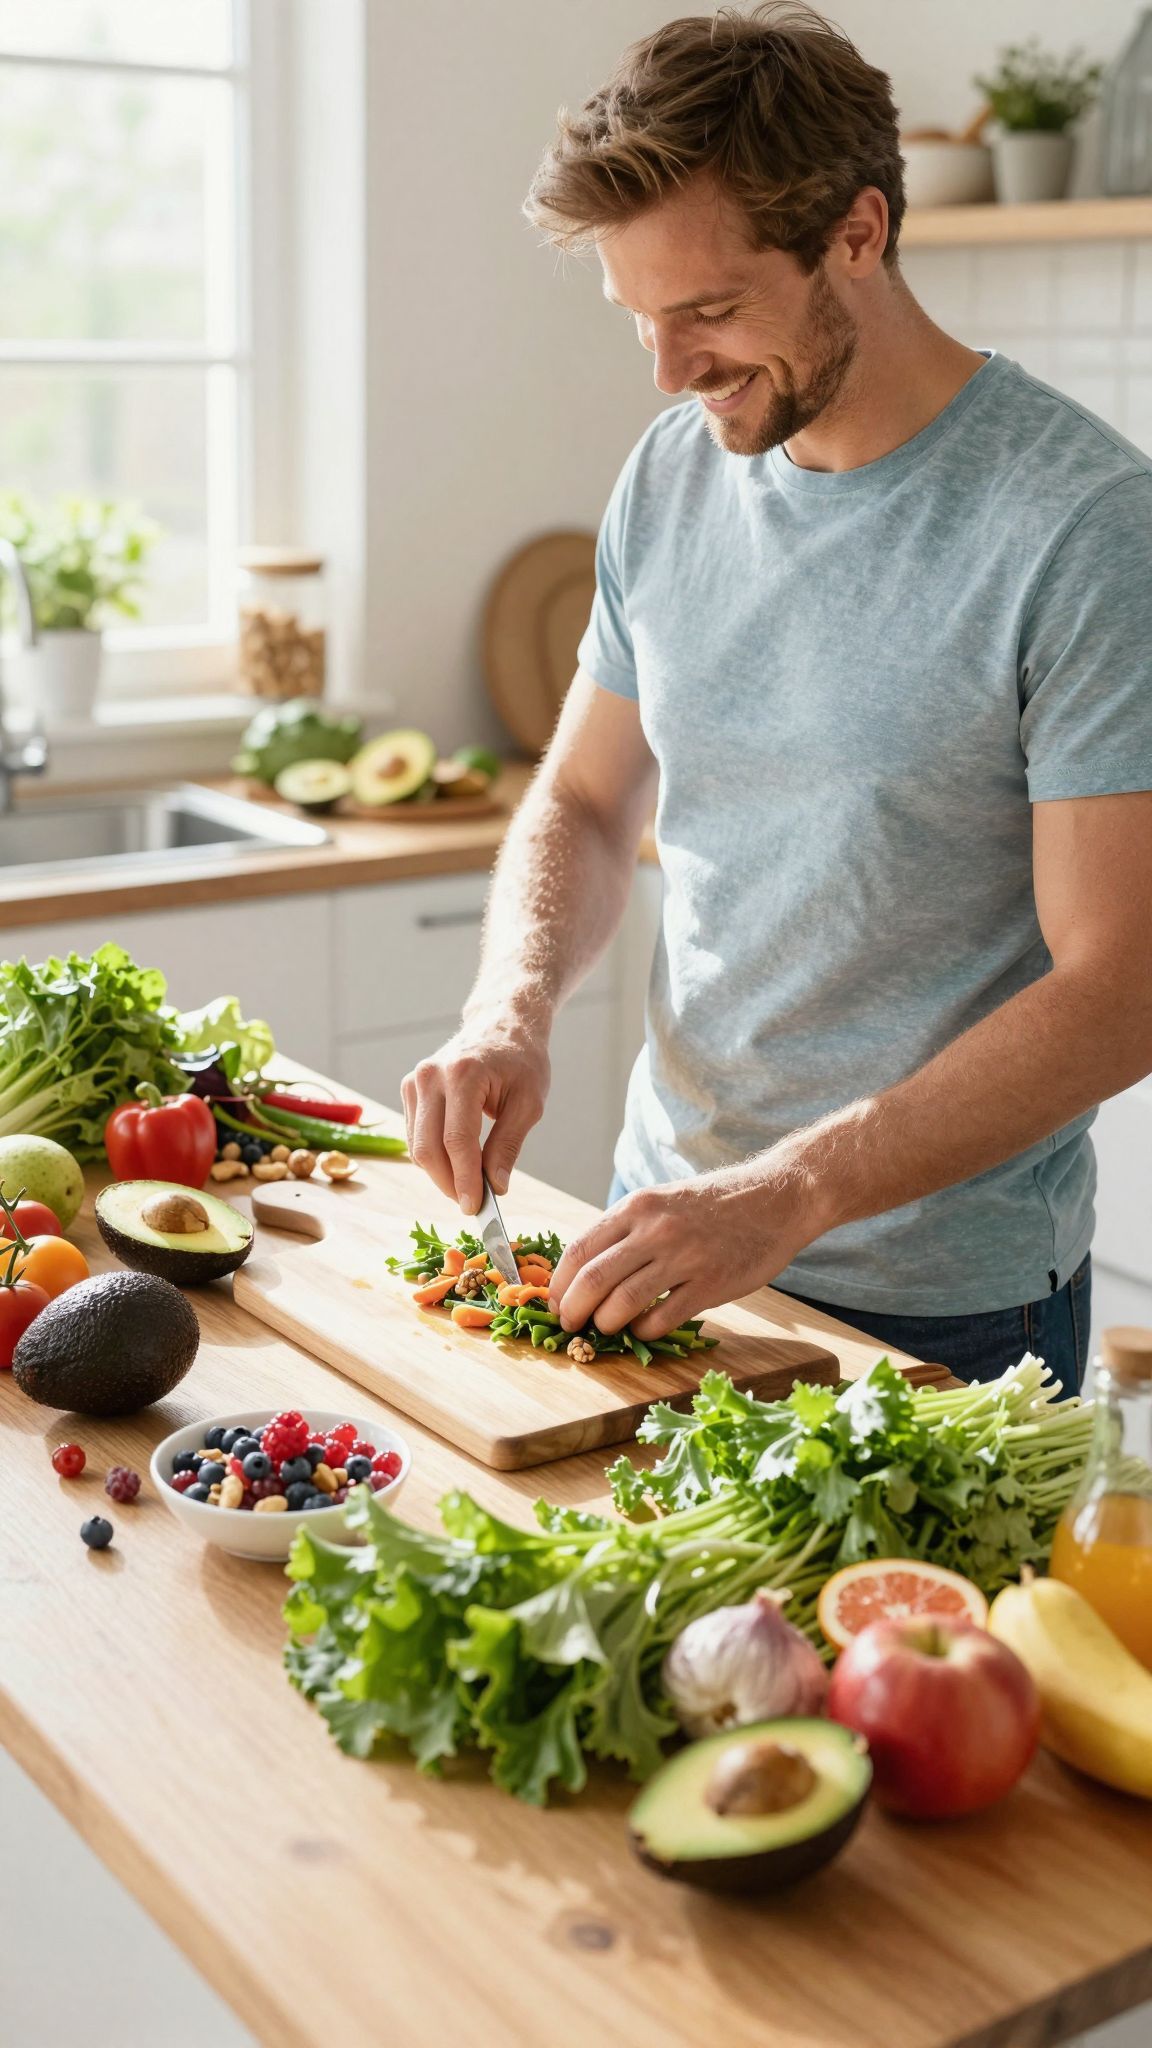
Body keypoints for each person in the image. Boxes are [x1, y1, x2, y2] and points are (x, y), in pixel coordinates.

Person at [402, 3, 1152, 1394]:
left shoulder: (1086, 527)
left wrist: (790, 1191)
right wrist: (510, 1008)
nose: (670, 370)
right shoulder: (670, 472)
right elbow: (585, 796)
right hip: (659, 1243)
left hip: (940, 1312)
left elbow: (1122, 990)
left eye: (708, 311)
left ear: (857, 233)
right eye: (640, 318)